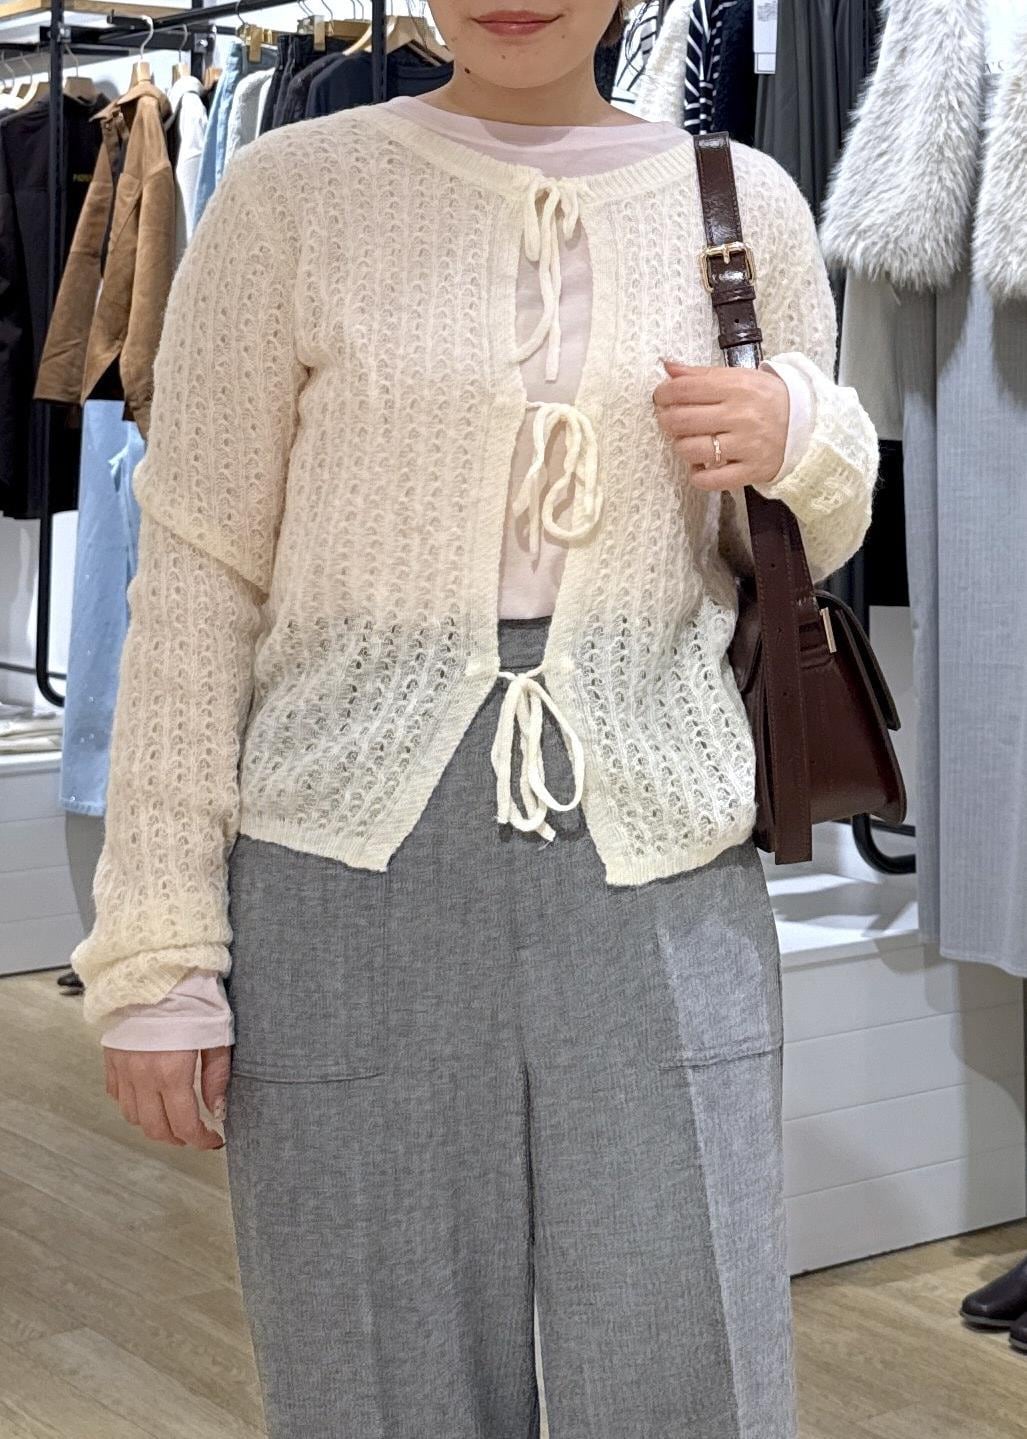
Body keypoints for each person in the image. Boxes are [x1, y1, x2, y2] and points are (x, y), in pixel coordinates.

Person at [79, 0, 879, 1434]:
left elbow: (795, 548)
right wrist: (159, 954)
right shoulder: (291, 195)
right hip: (344, 860)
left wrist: (804, 442)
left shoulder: (743, 202)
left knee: (687, 1339)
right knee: (371, 1361)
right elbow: (196, 577)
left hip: (657, 843)